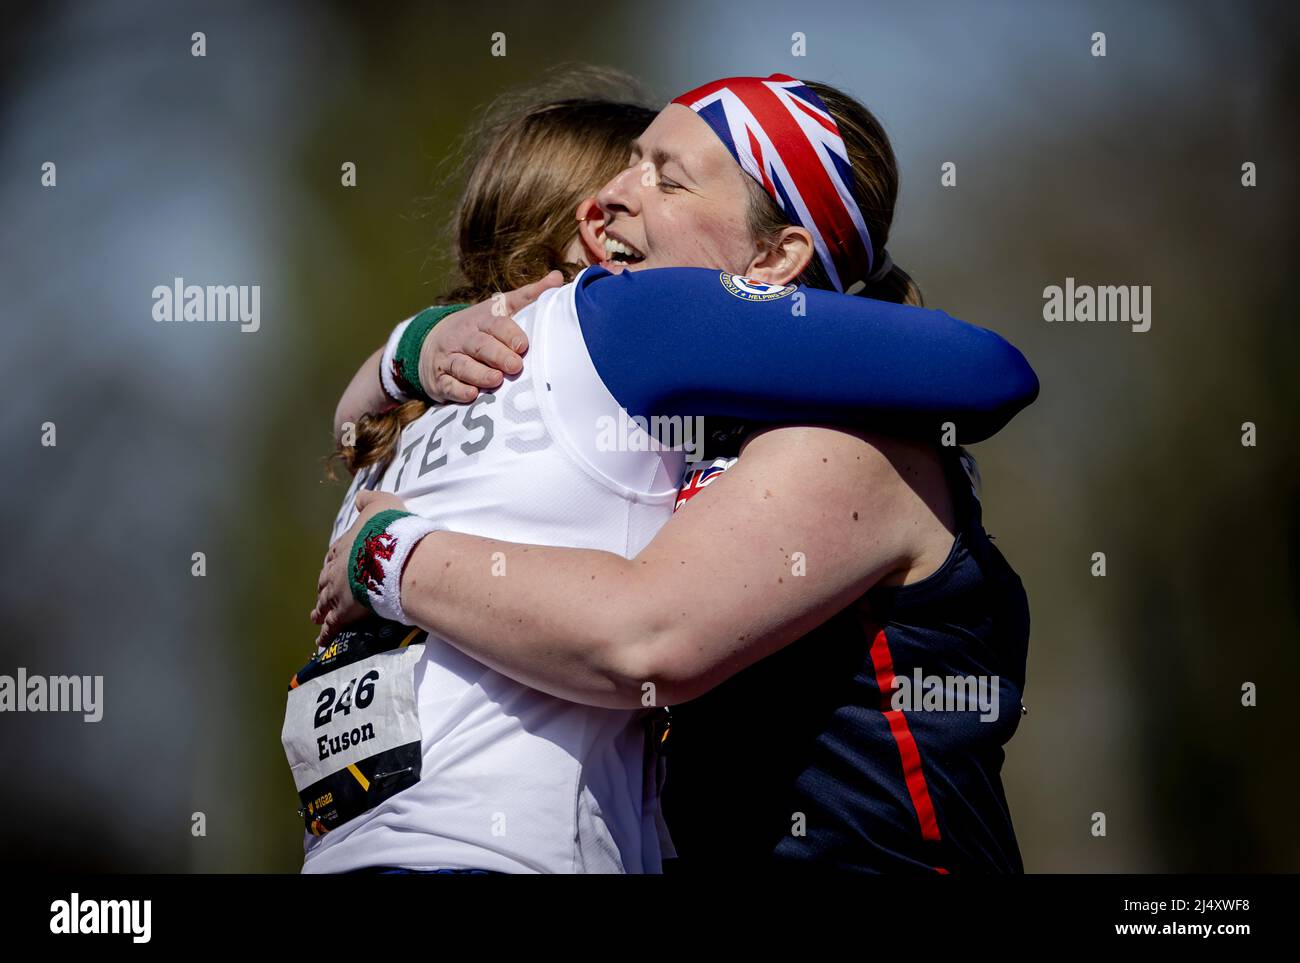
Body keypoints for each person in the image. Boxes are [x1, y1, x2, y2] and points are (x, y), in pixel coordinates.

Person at [304, 73, 1037, 874]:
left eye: (666, 175)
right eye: (627, 163)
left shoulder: (847, 439)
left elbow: (646, 638)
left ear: (776, 256)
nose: (608, 198)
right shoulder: (647, 422)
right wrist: (410, 349)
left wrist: (389, 552)